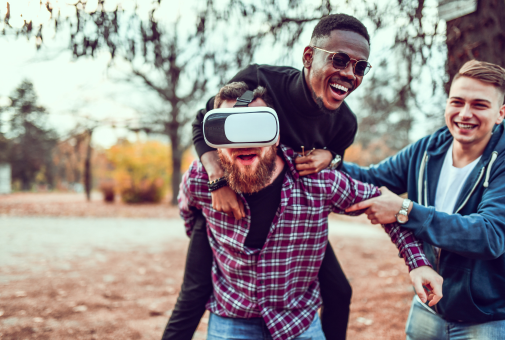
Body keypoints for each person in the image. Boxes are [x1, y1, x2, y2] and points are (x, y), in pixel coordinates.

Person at [163, 14, 374, 340]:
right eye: (340, 60)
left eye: (360, 67)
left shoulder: (345, 123)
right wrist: (217, 181)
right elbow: (205, 125)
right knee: (193, 292)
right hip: (230, 198)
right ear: (308, 57)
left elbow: (339, 159)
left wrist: (331, 156)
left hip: (285, 207)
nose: (349, 73)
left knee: (339, 292)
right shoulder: (258, 80)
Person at [177, 83, 442, 340]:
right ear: (215, 140)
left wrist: (417, 263)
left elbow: (382, 205)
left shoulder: (317, 181)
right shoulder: (201, 180)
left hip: (297, 322)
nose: (245, 141)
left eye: (257, 126)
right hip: (232, 320)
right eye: (231, 129)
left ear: (276, 134)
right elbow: (190, 217)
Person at [344, 60, 505, 339]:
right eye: (457, 101)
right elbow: (369, 179)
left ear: (501, 113)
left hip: (487, 320)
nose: (465, 113)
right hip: (428, 306)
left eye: (479, 105)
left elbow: (488, 235)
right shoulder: (428, 149)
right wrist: (329, 160)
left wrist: (404, 210)